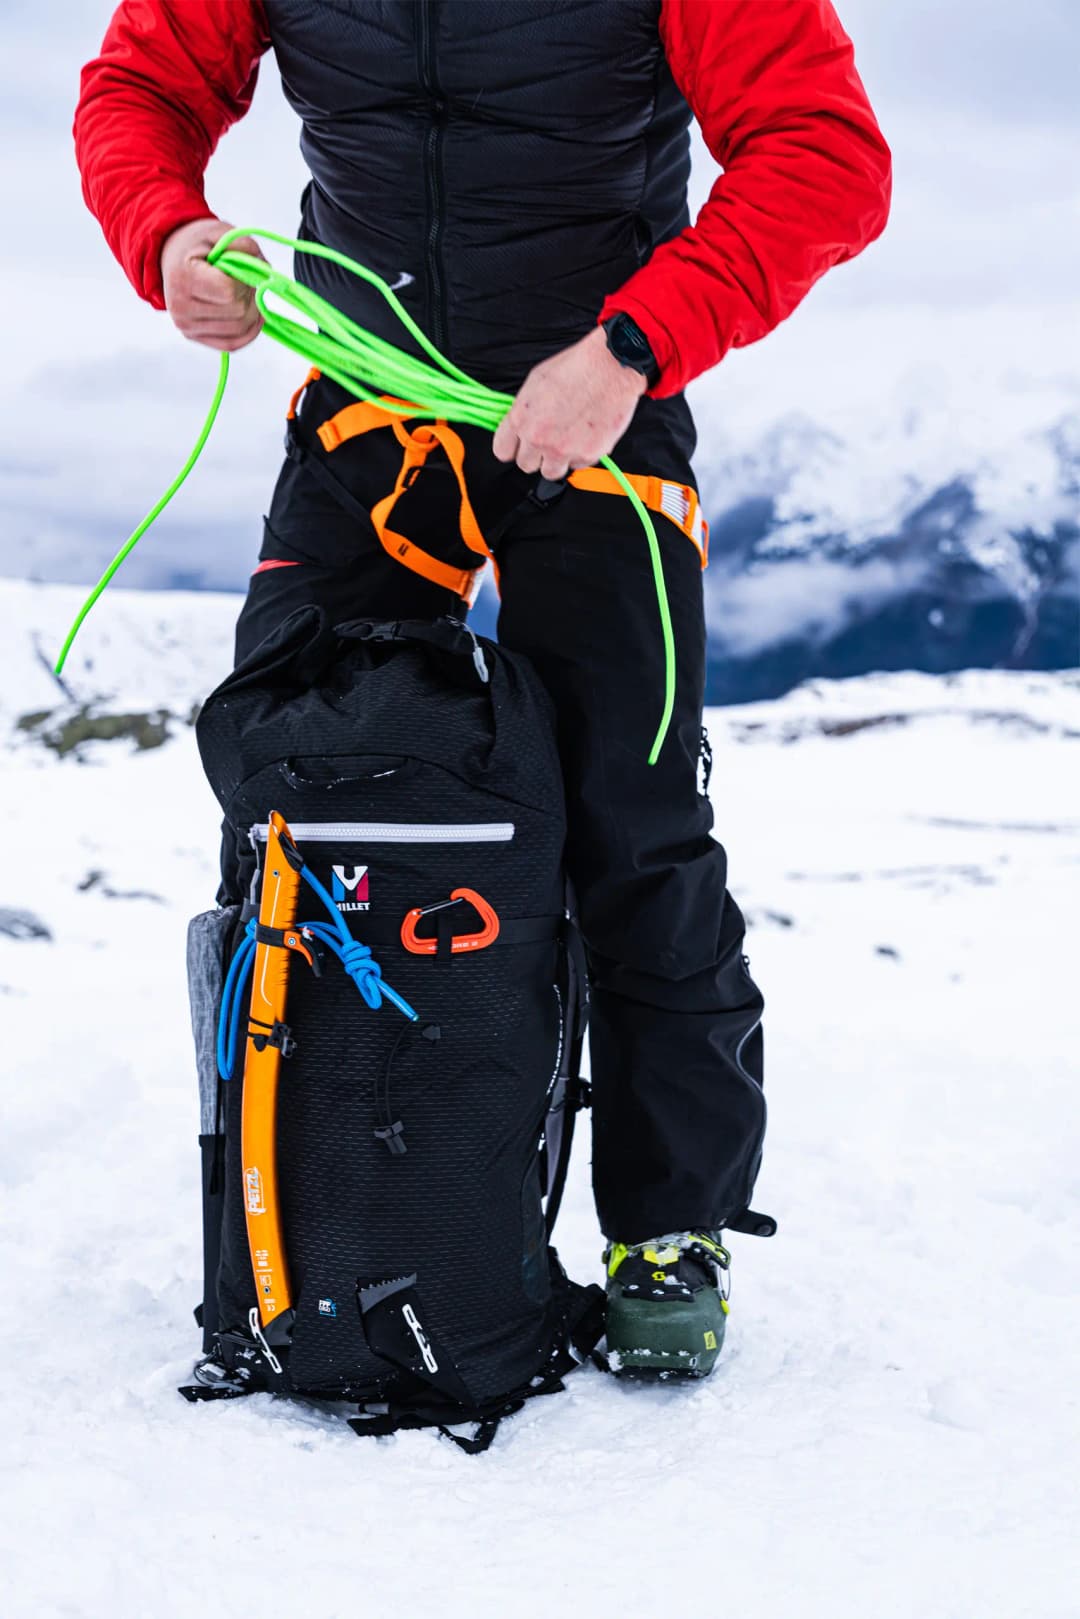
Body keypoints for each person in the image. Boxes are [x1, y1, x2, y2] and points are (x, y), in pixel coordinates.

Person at [76, 0, 890, 1377]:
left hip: (598, 416)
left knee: (633, 827)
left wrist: (633, 349)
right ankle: (296, 1201)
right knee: (299, 815)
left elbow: (822, 152)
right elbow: (142, 85)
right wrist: (164, 232)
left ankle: (666, 1228)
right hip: (367, 412)